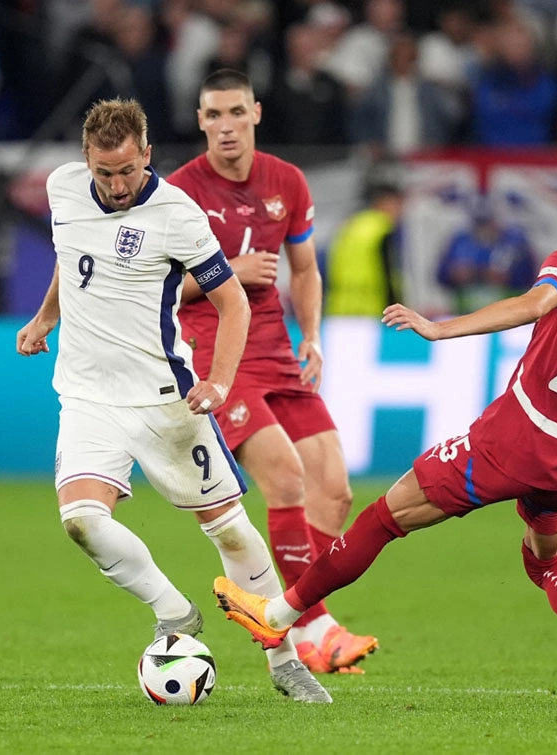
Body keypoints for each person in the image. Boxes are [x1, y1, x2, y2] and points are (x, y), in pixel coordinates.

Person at [212, 179, 557, 708]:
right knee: (545, 563)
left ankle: (277, 617)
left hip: (512, 439)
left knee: (384, 516)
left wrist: (439, 329)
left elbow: (535, 303)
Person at [15, 98, 331, 703]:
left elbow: (233, 303)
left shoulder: (176, 214)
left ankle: (285, 658)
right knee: (81, 521)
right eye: (104, 173)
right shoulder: (62, 189)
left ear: (147, 156)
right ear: (86, 161)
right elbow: (69, 258)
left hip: (166, 401)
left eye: (127, 171)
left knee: (231, 532)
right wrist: (44, 317)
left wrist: (218, 380)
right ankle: (175, 613)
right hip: (85, 395)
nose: (115, 184)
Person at [167, 69, 378, 674]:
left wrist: (312, 335)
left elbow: (306, 270)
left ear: (256, 112)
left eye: (236, 112)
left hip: (280, 354)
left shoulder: (287, 180)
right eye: (213, 116)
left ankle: (296, 623)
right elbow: (158, 288)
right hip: (218, 358)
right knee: (285, 481)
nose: (226, 126)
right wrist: (224, 270)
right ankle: (316, 626)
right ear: (201, 120)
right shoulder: (180, 193)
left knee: (333, 491)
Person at [436, 197, 538, 314]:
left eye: (487, 222)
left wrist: (509, 278)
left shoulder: (515, 241)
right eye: (479, 223)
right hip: (465, 314)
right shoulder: (460, 240)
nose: (484, 228)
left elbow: (529, 274)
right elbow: (441, 274)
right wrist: (454, 275)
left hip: (508, 314)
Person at [324, 172, 405, 316]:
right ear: (385, 202)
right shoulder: (382, 228)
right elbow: (387, 270)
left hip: (339, 309)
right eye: (398, 205)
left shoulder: (349, 226)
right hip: (371, 310)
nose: (401, 212)